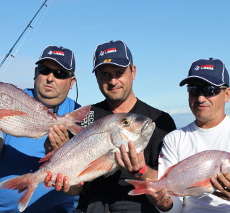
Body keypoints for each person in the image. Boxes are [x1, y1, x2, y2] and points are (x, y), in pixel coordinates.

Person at [44, 40, 177, 213]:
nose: (113, 81)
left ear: (133, 71)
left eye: (119, 72)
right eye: (105, 74)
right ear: (97, 77)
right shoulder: (86, 116)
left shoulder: (159, 121)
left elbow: (170, 184)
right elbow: (75, 189)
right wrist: (63, 178)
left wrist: (142, 171)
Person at [149, 58, 230, 212]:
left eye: (210, 90)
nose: (200, 98)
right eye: (194, 90)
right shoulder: (174, 139)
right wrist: (164, 204)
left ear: (227, 94)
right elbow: (174, 205)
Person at [0, 45, 82, 213]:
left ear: (71, 82)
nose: (50, 78)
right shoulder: (10, 98)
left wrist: (64, 152)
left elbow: (78, 185)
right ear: (36, 73)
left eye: (60, 74)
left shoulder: (82, 116)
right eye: (45, 70)